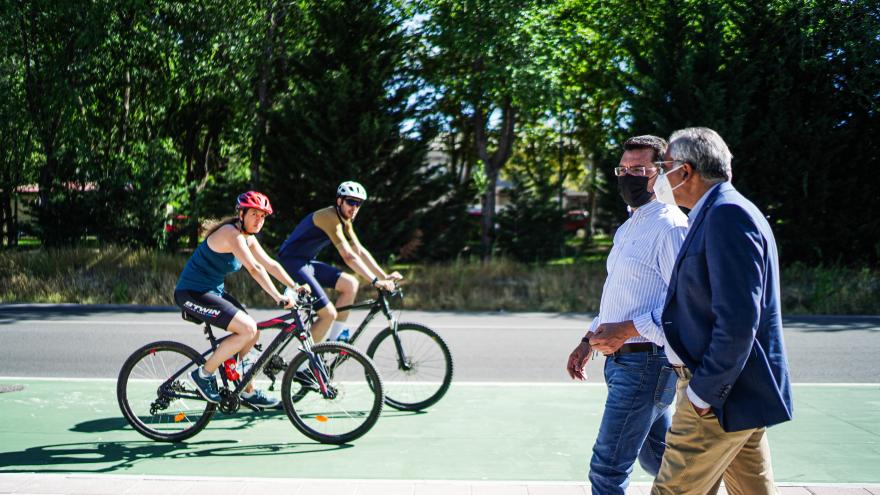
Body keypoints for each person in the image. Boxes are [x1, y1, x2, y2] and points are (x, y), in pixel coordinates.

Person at [647, 127, 792, 494]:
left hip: (717, 396)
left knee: (672, 490)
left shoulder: (727, 214)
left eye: (664, 167)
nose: (660, 176)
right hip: (735, 393)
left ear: (686, 170)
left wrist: (702, 394)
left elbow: (739, 320)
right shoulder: (722, 210)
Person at [566, 135, 688, 495]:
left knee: (607, 468)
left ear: (662, 173)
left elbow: (684, 307)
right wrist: (587, 340)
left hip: (647, 364)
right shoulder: (630, 226)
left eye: (639, 169)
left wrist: (629, 329)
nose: (628, 176)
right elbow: (619, 295)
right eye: (623, 169)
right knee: (659, 460)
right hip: (622, 364)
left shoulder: (671, 227)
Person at [175, 191, 309, 409]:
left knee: (253, 331)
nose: (259, 220)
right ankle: (203, 374)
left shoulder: (248, 238)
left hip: (212, 292)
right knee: (247, 329)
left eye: (263, 216)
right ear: (241, 213)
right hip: (192, 293)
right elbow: (254, 269)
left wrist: (295, 286)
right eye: (254, 214)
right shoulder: (231, 233)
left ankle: (246, 390)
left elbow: (270, 264)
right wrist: (278, 296)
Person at [277, 181, 399, 346]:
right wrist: (376, 282)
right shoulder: (330, 218)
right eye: (351, 202)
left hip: (306, 262)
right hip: (291, 262)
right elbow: (348, 256)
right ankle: (301, 366)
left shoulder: (345, 219)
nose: (355, 207)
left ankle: (335, 339)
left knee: (350, 283)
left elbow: (359, 250)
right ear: (339, 201)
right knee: (328, 314)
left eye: (359, 203)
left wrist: (384, 276)